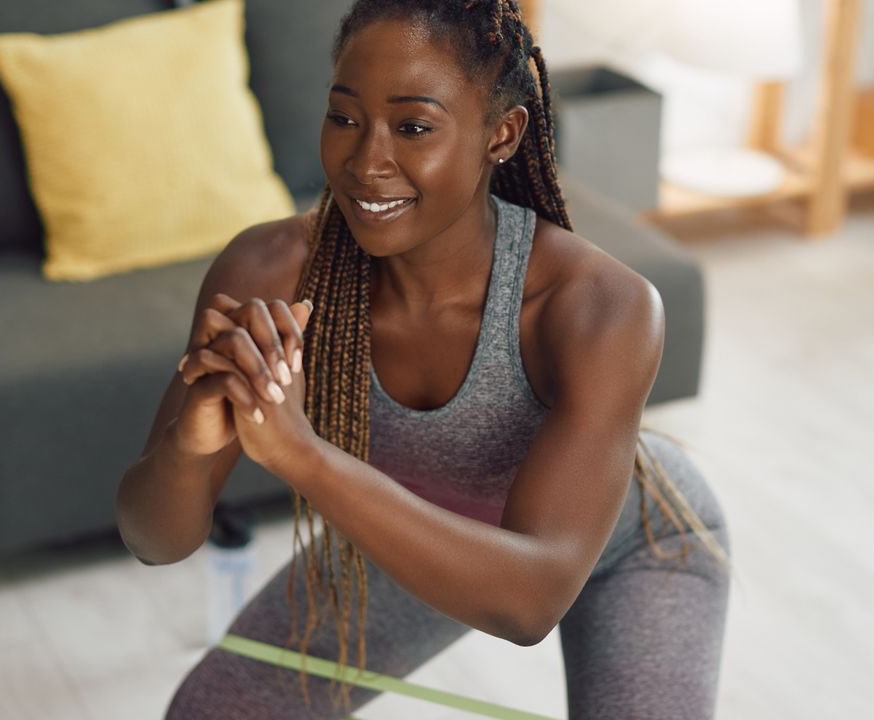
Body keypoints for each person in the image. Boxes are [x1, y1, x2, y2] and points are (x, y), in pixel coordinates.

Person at [115, 1, 733, 717]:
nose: (365, 160)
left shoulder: (597, 306)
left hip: (636, 546)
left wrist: (302, 455)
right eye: (344, 117)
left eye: (413, 127)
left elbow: (529, 603)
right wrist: (189, 447)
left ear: (500, 134)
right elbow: (153, 540)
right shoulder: (269, 270)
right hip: (418, 524)